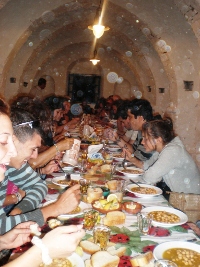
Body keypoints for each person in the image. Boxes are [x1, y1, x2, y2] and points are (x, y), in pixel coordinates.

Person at [0, 97, 85, 265]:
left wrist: (20, 210)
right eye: (4, 141)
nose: (11, 150)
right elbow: (2, 226)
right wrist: (55, 209)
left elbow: (38, 185)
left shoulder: (7, 165)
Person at [125, 118, 200, 194]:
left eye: (146, 138)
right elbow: (148, 166)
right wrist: (132, 159)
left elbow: (150, 177)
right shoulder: (164, 148)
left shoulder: (172, 151)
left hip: (189, 201)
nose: (142, 142)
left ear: (158, 140)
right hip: (179, 197)